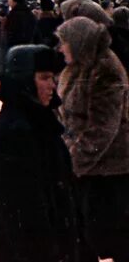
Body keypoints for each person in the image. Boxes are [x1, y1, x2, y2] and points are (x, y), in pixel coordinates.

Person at [0, 44, 78, 262]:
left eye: (53, 77)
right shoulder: (16, 131)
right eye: (44, 77)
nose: (52, 84)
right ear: (23, 81)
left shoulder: (39, 121)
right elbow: (22, 213)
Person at [56, 16, 129, 262]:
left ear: (77, 43)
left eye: (64, 42)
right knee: (83, 235)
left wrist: (75, 160)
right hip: (89, 166)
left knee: (112, 238)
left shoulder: (105, 69)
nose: (60, 48)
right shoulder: (78, 66)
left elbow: (103, 127)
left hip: (108, 169)